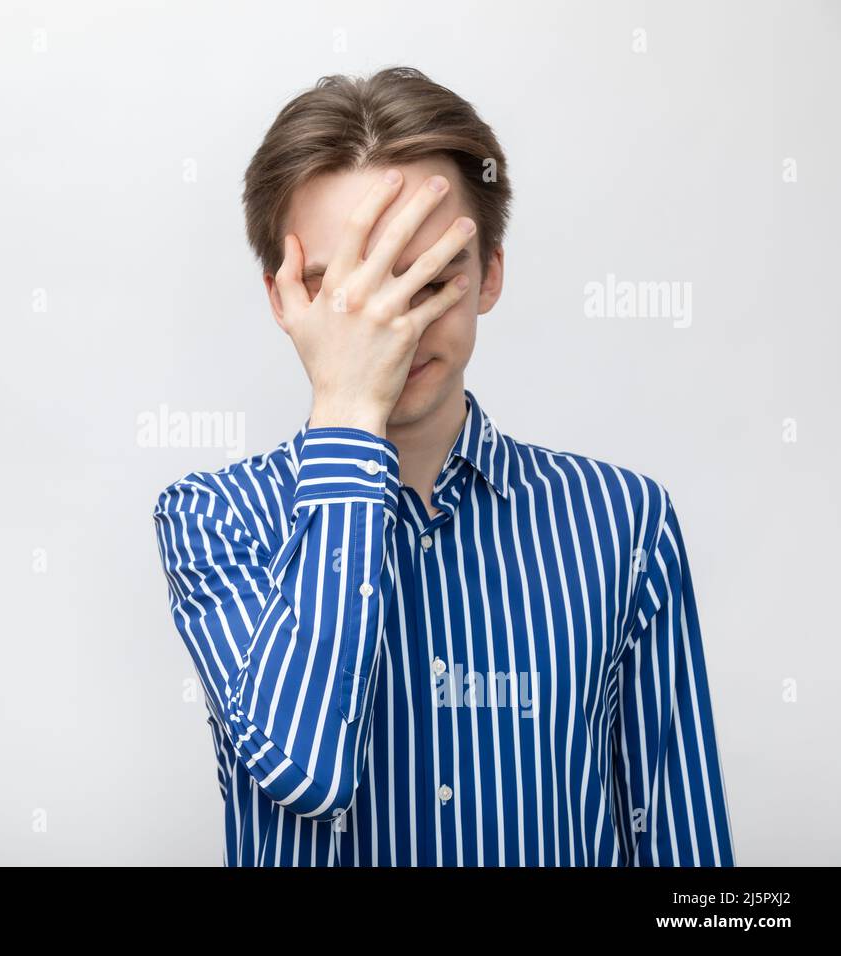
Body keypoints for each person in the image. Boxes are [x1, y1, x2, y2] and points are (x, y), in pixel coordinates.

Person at [151, 67, 735, 867]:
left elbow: (683, 847)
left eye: (428, 278)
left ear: (489, 273)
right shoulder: (216, 517)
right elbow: (305, 768)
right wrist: (350, 407)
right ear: (283, 299)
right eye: (344, 289)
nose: (391, 324)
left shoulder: (623, 521)